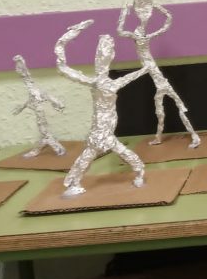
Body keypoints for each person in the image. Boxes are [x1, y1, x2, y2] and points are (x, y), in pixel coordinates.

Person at [55, 20, 152, 197]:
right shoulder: (97, 83)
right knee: (93, 156)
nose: (102, 62)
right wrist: (68, 37)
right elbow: (62, 68)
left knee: (101, 154)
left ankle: (139, 172)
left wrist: (145, 68)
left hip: (105, 131)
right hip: (100, 132)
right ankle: (74, 182)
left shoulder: (107, 83)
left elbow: (130, 77)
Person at [117, 0, 199, 147]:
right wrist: (125, 11)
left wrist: (154, 6)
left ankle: (194, 136)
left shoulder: (146, 44)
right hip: (159, 85)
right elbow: (121, 31)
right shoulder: (143, 38)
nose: (137, 37)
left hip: (162, 83)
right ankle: (159, 137)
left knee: (179, 109)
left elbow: (168, 20)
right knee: (161, 114)